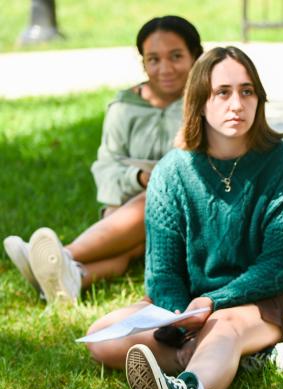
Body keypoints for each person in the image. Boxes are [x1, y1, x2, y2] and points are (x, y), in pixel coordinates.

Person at [84, 46, 283, 389]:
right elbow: (162, 273)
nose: (237, 104)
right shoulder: (171, 172)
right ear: (198, 101)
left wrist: (211, 304)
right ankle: (236, 357)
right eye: (222, 92)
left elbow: (278, 266)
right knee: (101, 338)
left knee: (224, 326)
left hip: (274, 298)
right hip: (193, 307)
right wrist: (183, 319)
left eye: (247, 92)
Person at [3, 15, 203, 303]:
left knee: (156, 197)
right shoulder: (124, 107)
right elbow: (106, 167)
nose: (165, 68)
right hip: (125, 207)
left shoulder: (205, 104)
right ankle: (73, 277)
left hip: (185, 214)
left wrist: (159, 182)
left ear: (196, 56)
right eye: (153, 59)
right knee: (131, 244)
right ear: (143, 62)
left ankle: (62, 254)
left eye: (176, 56)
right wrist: (137, 177)